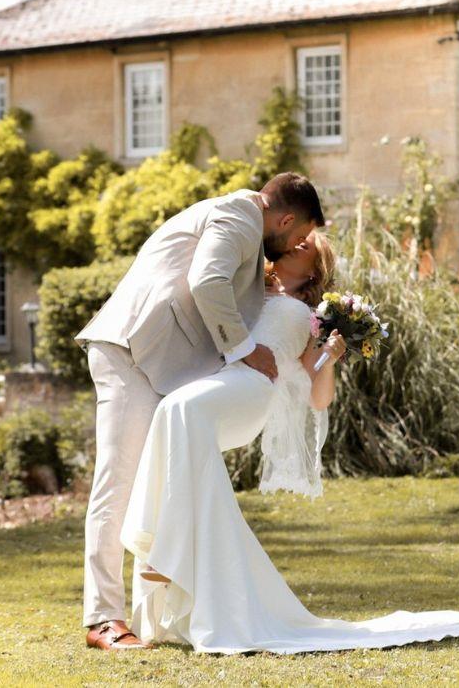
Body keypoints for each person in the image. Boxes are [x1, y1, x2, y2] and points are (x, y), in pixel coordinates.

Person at [121, 232, 459, 653]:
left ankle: (166, 551)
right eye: (295, 239)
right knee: (171, 411)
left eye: (307, 245)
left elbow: (318, 396)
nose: (296, 244)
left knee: (183, 409)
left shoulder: (312, 318)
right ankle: (164, 552)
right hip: (222, 381)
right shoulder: (249, 287)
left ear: (315, 269)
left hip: (254, 390)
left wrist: (331, 351)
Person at [75, 172, 325, 651]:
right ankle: (104, 619)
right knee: (119, 482)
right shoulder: (239, 215)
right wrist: (245, 349)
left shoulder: (246, 226)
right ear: (286, 218)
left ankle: (146, 609)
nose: (295, 245)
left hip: (157, 361)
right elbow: (207, 280)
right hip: (130, 351)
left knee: (149, 479)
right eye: (297, 236)